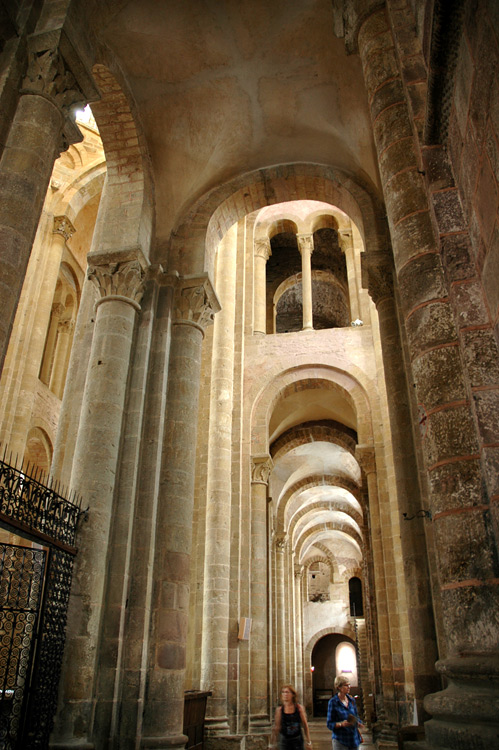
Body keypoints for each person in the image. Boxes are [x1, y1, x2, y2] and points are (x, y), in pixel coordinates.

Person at [270, 684, 313, 750]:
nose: (285, 694)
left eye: (287, 692)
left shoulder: (299, 708)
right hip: (284, 740)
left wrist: (308, 741)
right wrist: (272, 743)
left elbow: (305, 725)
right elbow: (277, 727)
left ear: (292, 694)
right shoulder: (280, 710)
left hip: (297, 740)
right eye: (283, 692)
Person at [326, 676, 364, 749]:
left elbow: (356, 716)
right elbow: (329, 724)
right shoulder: (333, 702)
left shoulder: (351, 701)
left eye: (349, 685)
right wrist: (341, 724)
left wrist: (358, 722)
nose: (349, 687)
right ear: (339, 687)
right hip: (341, 739)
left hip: (353, 739)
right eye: (346, 685)